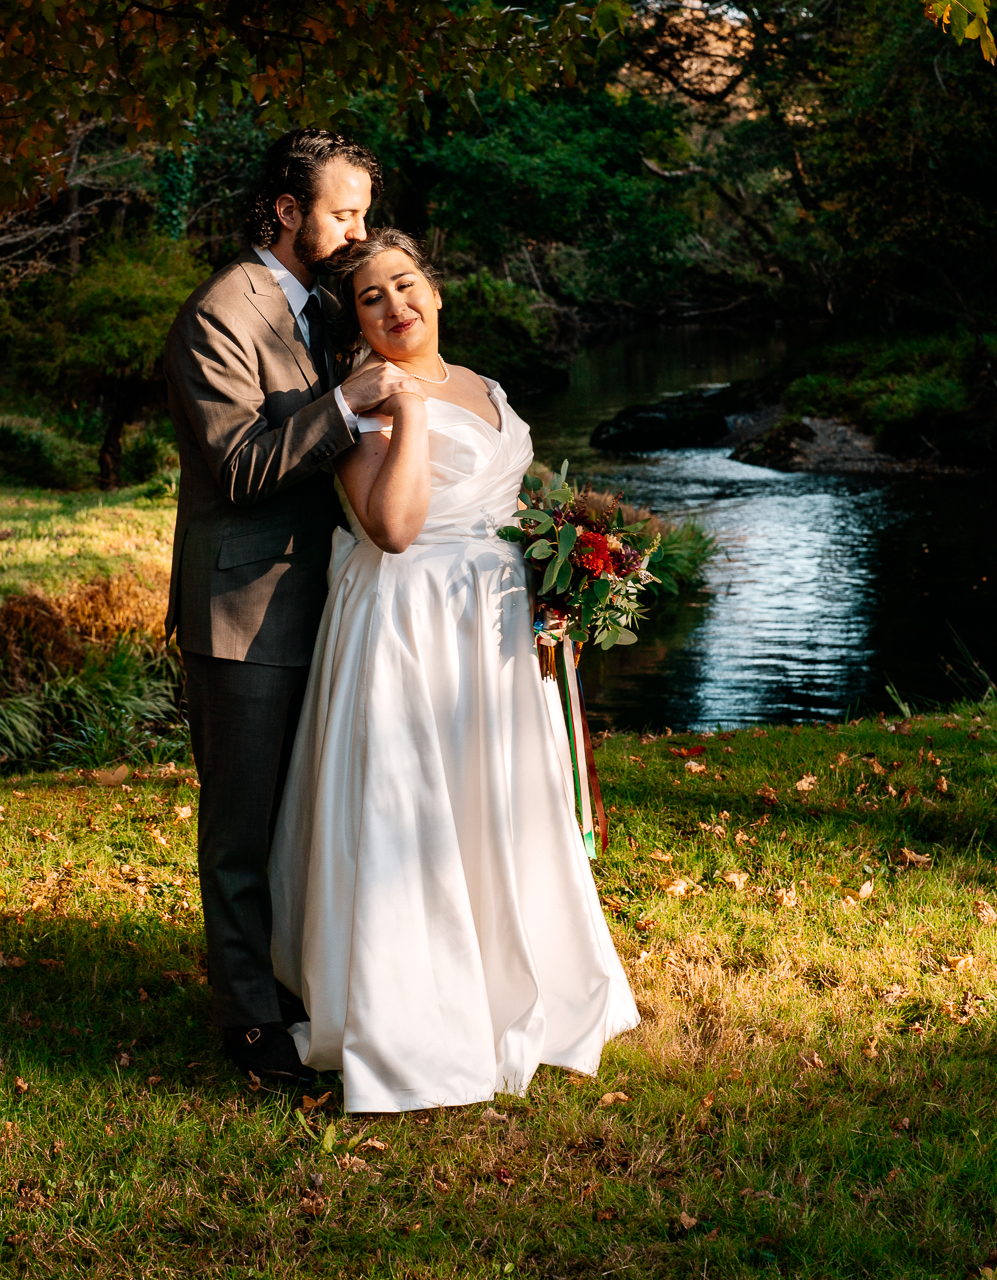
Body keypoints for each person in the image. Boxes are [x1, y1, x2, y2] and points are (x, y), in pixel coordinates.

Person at [268, 228, 641, 1113]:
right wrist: (409, 417)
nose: (395, 306)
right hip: (413, 618)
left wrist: (568, 567)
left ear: (436, 293)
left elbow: (510, 496)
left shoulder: (484, 385)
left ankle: (516, 978)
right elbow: (392, 529)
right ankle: (416, 1014)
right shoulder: (364, 404)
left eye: (406, 286)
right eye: (371, 298)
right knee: (415, 802)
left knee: (495, 794)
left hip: (497, 620)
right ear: (356, 321)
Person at [162, 129, 420, 1081]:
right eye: (342, 211)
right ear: (285, 211)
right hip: (246, 611)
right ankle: (250, 1025)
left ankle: (305, 985)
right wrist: (347, 405)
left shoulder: (330, 307)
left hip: (342, 609)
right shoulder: (218, 317)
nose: (359, 228)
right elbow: (238, 467)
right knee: (242, 829)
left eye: (362, 210)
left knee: (312, 815)